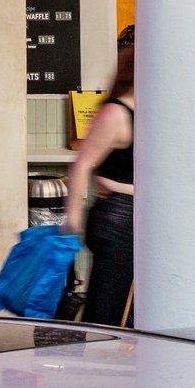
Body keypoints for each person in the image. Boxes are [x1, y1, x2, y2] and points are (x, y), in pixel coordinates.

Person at [61, 40, 137, 325]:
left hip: (134, 215)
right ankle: (98, 362)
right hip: (118, 216)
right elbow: (82, 162)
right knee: (109, 308)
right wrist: (73, 219)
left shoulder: (150, 112)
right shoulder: (116, 114)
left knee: (127, 309)